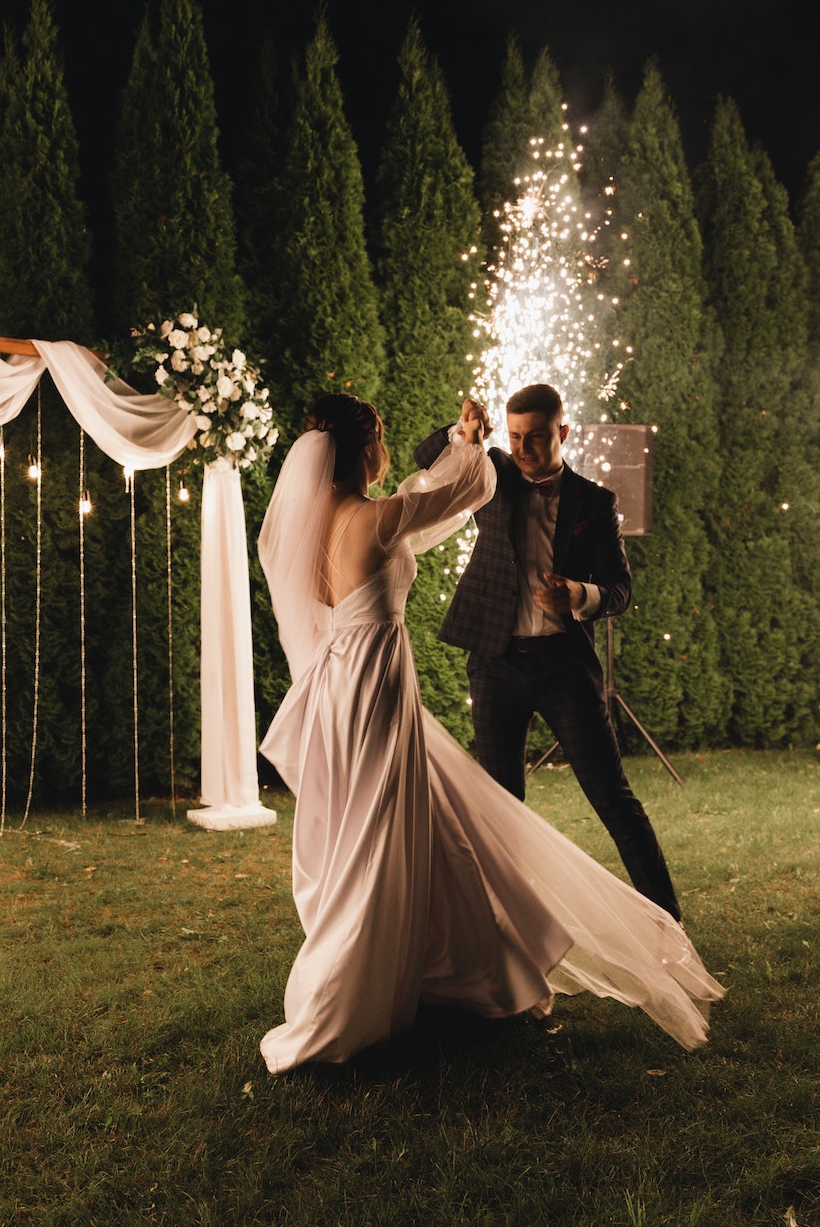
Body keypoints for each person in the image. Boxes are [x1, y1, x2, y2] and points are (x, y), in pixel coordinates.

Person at [255, 391, 721, 1073]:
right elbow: (465, 485)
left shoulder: (312, 520)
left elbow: (424, 493)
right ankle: (363, 982)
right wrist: (470, 444)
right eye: (379, 437)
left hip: (338, 689)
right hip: (378, 690)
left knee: (415, 826)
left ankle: (467, 964)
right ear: (362, 452)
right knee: (385, 833)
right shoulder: (379, 519)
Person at [413, 383, 680, 919]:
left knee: (614, 799)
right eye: (514, 437)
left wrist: (579, 594)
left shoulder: (594, 502)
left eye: (535, 437)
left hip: (564, 666)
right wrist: (460, 431)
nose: (523, 449)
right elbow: (426, 459)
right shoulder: (491, 474)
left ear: (562, 432)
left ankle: (669, 923)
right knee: (499, 808)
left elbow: (621, 590)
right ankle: (508, 938)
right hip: (495, 662)